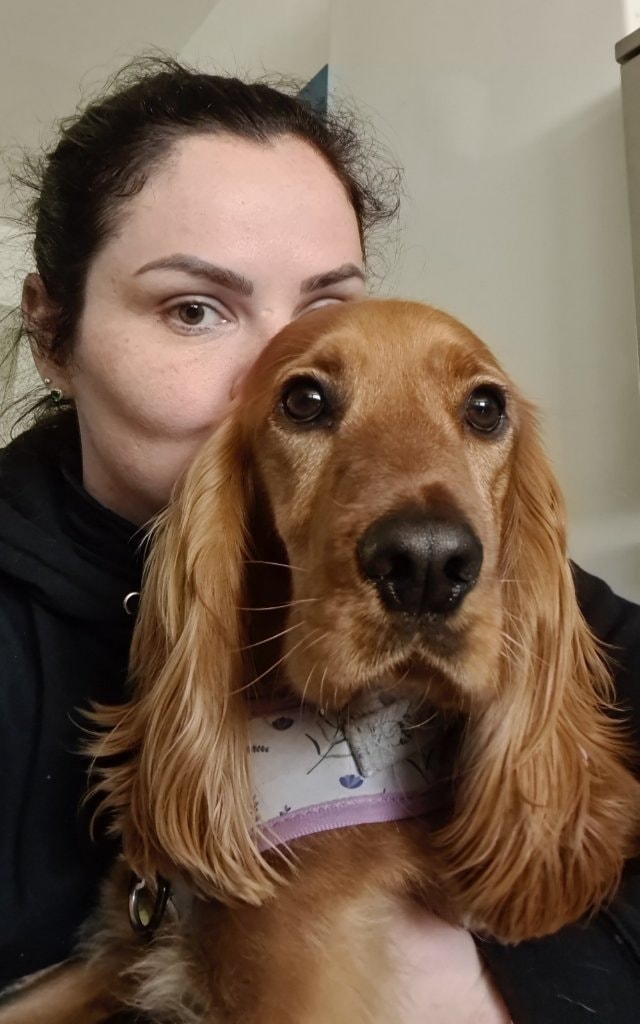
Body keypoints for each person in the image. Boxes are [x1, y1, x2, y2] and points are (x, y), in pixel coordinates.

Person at [0, 57, 639, 1023]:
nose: (275, 364)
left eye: (324, 308)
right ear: (54, 333)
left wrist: (511, 989)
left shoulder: (478, 564)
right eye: (194, 309)